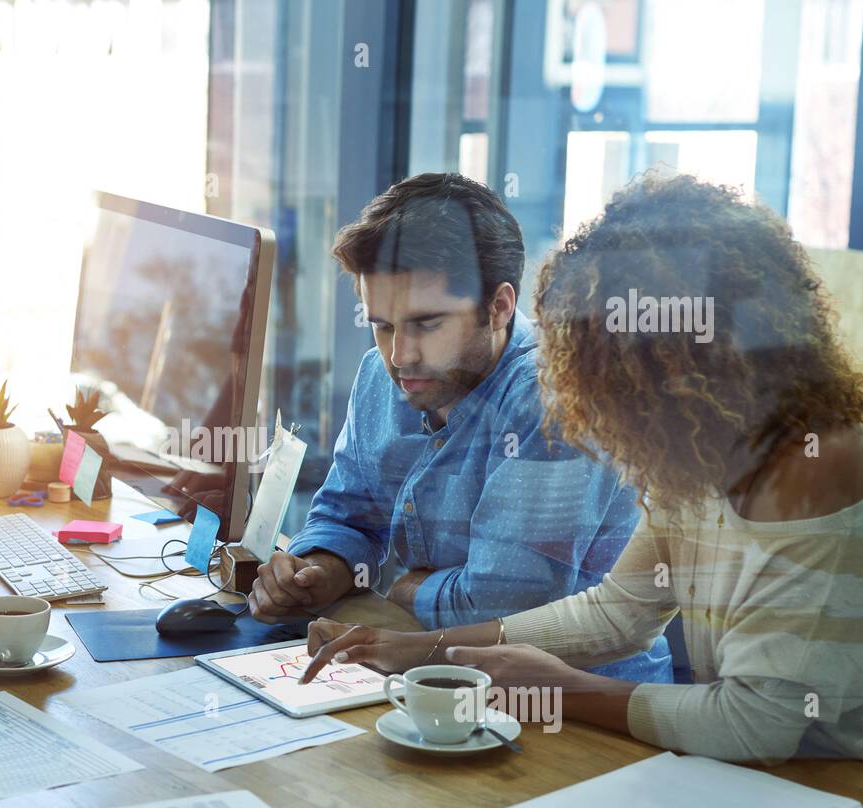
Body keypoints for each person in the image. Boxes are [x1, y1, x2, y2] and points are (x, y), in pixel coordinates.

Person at [302, 173, 863, 773]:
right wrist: (413, 650)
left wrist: (563, 689)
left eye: (614, 379)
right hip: (749, 780)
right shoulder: (703, 457)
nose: (602, 409)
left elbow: (755, 724)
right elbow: (617, 613)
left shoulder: (820, 467)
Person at [250, 173, 671, 682]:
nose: (398, 356)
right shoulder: (382, 378)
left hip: (571, 705)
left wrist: (404, 585)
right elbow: (348, 514)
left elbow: (504, 607)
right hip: (426, 673)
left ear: (499, 307)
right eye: (382, 325)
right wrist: (318, 569)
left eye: (427, 324)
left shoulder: (552, 399)